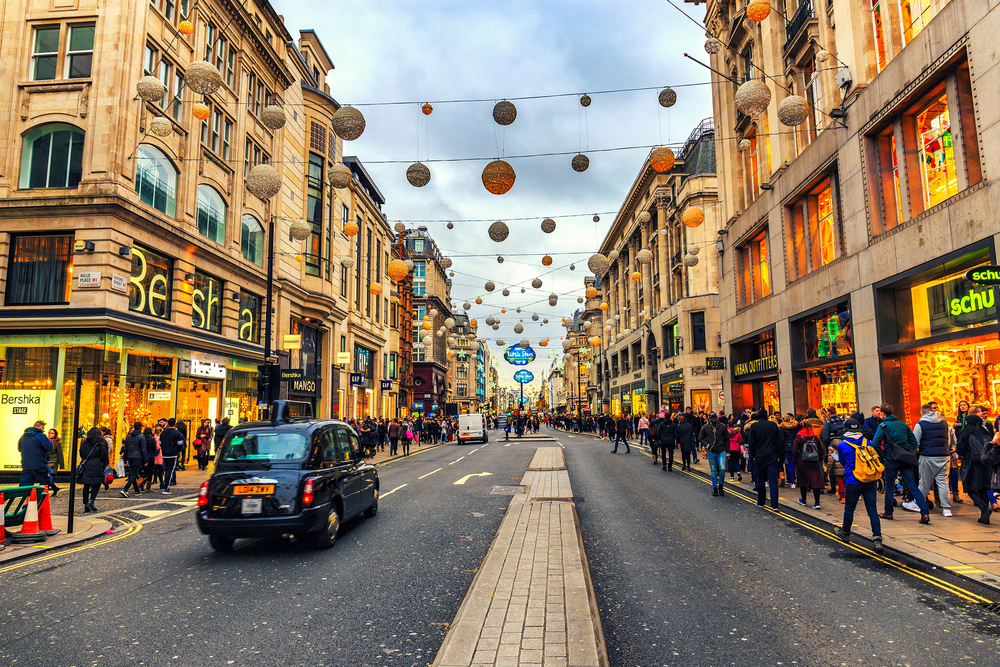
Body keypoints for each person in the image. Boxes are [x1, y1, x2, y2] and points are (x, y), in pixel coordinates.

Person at [872, 404, 930, 523]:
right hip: (905, 459)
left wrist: (884, 455)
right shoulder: (903, 425)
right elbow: (914, 442)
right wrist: (909, 452)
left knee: (889, 485)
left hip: (891, 458)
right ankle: (924, 513)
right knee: (912, 486)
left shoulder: (883, 426)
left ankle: (888, 512)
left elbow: (875, 443)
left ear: (883, 414)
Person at [834, 419, 883, 553]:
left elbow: (843, 463)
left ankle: (845, 532)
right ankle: (877, 538)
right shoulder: (866, 442)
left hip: (853, 480)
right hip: (869, 479)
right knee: (872, 510)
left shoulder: (842, 445)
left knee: (849, 508)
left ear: (845, 429)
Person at [913, 402, 954, 517]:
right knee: (943, 483)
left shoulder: (920, 424)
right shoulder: (944, 423)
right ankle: (946, 509)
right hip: (944, 455)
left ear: (922, 413)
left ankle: (918, 504)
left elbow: (915, 441)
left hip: (927, 456)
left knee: (924, 483)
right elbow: (949, 440)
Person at [956, 409, 994, 524]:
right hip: (985, 463)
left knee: (970, 488)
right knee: (983, 488)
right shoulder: (984, 430)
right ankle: (984, 516)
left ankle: (984, 508)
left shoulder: (967, 430)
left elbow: (960, 448)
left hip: (970, 463)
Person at [746, 409, 783, 509]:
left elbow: (751, 443)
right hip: (772, 456)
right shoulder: (773, 425)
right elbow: (779, 441)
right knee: (773, 480)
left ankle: (761, 502)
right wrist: (779, 455)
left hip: (759, 456)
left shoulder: (754, 426)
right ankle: (774, 505)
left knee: (761, 479)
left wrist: (752, 455)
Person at [793, 417, 826, 508]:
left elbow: (795, 450)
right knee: (816, 480)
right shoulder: (814, 437)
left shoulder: (799, 437)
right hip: (814, 462)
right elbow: (820, 449)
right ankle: (817, 502)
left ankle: (803, 500)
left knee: (803, 481)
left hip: (802, 461)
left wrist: (795, 460)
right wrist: (819, 458)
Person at [79, 427, 109, 513]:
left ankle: (86, 505)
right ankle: (91, 501)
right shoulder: (102, 443)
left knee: (86, 485)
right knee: (96, 484)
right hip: (97, 464)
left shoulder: (84, 442)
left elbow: (81, 453)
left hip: (87, 464)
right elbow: (104, 455)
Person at [700, 413, 729, 496]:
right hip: (711, 452)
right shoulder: (705, 427)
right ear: (709, 418)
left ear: (717, 417)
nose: (713, 419)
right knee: (713, 470)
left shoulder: (722, 426)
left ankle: (721, 486)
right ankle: (715, 488)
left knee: (722, 469)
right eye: (712, 417)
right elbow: (700, 438)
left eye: (715, 417)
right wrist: (707, 444)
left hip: (721, 451)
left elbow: (727, 440)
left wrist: (728, 452)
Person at [19, 420, 53, 488]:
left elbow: (19, 448)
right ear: (41, 427)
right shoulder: (40, 435)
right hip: (39, 465)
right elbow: (49, 447)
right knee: (44, 483)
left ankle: (26, 498)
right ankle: (41, 498)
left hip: (26, 465)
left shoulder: (23, 436)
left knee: (25, 486)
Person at [120, 421, 148, 497]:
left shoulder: (129, 436)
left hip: (130, 456)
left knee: (133, 473)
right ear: (140, 428)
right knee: (134, 474)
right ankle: (125, 489)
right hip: (138, 457)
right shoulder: (141, 436)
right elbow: (143, 449)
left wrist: (125, 458)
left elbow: (126, 448)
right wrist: (146, 460)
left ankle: (136, 490)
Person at [159, 418, 184, 495]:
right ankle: (166, 487)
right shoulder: (176, 433)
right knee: (170, 470)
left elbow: (160, 443)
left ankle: (165, 485)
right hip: (172, 454)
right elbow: (180, 443)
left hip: (165, 454)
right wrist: (178, 450)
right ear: (175, 424)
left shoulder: (163, 433)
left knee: (167, 469)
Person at [778, 414, 799, 488]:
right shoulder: (795, 427)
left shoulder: (782, 428)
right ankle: (798, 481)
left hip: (787, 447)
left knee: (790, 465)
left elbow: (782, 439)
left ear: (783, 420)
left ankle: (792, 482)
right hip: (796, 447)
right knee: (796, 465)